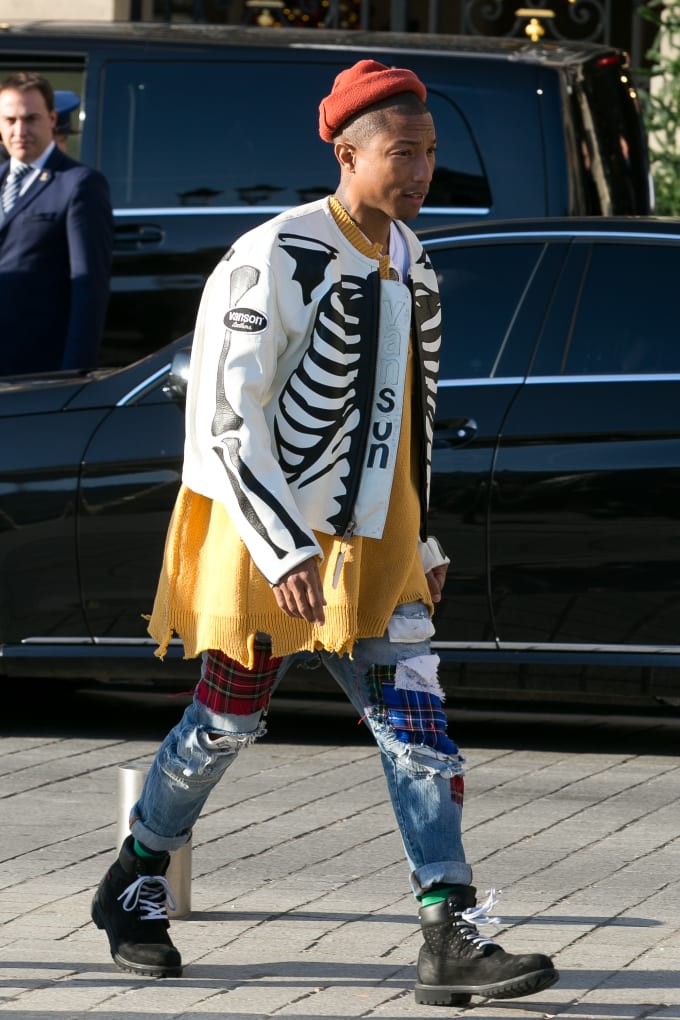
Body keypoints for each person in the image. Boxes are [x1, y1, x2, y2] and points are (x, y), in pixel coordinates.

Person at [90, 59, 559, 1007]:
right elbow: (231, 419)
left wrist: (418, 543)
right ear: (348, 153)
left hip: (375, 543)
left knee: (417, 727)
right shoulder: (274, 254)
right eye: (403, 152)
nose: (422, 171)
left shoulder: (415, 260)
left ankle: (448, 930)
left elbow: (410, 416)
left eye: (429, 153)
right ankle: (133, 878)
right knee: (226, 720)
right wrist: (285, 546)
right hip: (266, 531)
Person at [0, 72, 113, 375]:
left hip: (37, 370)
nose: (20, 130)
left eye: (31, 118)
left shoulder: (79, 184)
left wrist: (73, 375)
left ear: (51, 119)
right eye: (10, 120)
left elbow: (89, 288)